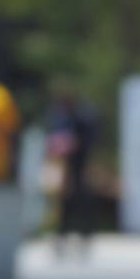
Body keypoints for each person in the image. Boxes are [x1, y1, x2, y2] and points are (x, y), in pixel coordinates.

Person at [45, 88, 100, 253]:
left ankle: (85, 236)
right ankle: (61, 236)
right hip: (62, 168)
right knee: (63, 205)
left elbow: (92, 139)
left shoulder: (84, 117)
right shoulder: (59, 117)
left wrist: (76, 144)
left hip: (78, 168)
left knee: (81, 202)